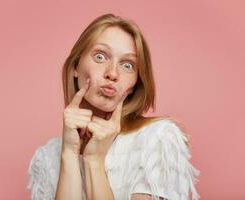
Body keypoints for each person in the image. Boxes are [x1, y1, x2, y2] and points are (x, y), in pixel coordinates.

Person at [27, 13, 200, 200]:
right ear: (76, 65)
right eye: (100, 57)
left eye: (127, 65)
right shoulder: (46, 157)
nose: (112, 73)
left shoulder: (157, 139)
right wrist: (69, 155)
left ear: (135, 83)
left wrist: (94, 162)